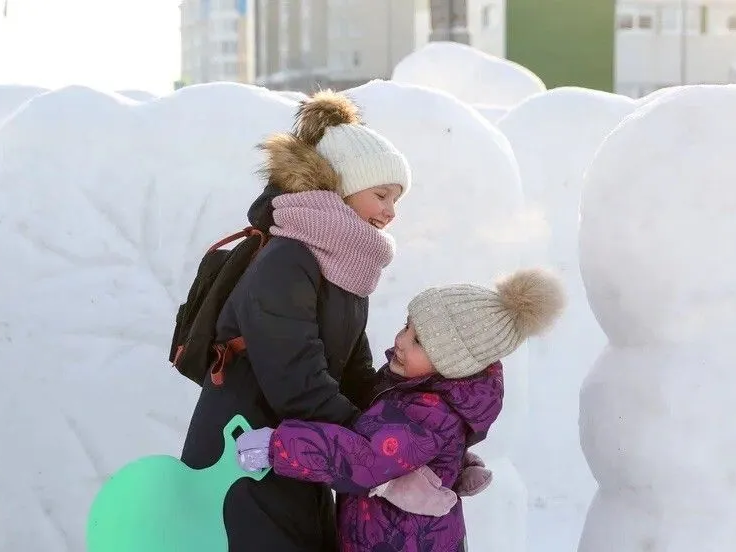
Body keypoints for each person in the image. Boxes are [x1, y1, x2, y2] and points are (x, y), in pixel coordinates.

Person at [179, 90, 416, 551]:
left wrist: (412, 421)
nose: (391, 211)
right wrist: (373, 443)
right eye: (381, 194)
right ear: (342, 188)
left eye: (397, 198)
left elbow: (352, 372)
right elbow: (295, 378)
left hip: (296, 450)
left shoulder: (343, 266)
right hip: (242, 453)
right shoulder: (289, 258)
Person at [236, 268, 565, 552]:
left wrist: (278, 446)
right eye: (407, 326)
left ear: (453, 364)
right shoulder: (425, 392)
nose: (401, 340)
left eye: (419, 340)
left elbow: (364, 458)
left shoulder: (428, 410)